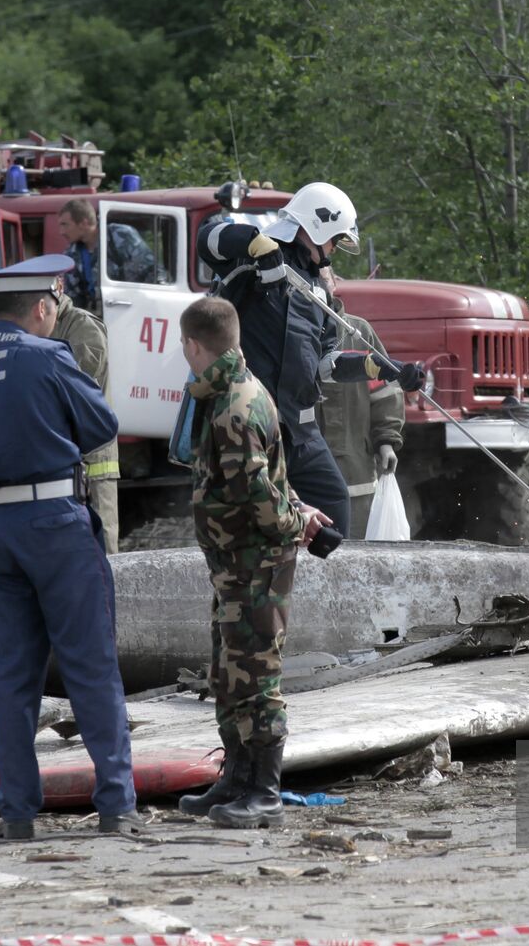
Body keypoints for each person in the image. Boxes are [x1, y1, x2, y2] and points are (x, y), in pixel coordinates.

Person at [0, 254, 140, 841]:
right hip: (54, 521)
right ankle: (116, 805)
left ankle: (18, 815)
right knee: (91, 667)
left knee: (12, 678)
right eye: (54, 309)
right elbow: (101, 423)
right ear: (40, 307)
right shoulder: (47, 355)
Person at [174, 296, 329, 829]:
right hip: (233, 564)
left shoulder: (234, 406)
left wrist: (296, 524)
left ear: (194, 345)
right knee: (228, 672)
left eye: (183, 346)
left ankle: (263, 789)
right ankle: (236, 778)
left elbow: (258, 496)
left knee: (256, 675)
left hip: (254, 565)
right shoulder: (227, 393)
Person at [196, 181, 424, 536]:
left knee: (333, 504)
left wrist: (382, 367)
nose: (333, 250)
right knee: (260, 519)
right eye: (334, 239)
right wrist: (256, 245)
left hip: (300, 429)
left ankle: (318, 583)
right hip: (251, 420)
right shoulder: (246, 261)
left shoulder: (317, 291)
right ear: (317, 227)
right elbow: (208, 237)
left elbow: (326, 363)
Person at [316, 305, 405, 539]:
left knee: (357, 552)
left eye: (326, 277)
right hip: (302, 479)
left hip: (356, 478)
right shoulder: (290, 329)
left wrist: (386, 441)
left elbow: (384, 392)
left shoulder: (357, 332)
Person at [49, 279, 121, 553]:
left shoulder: (82, 325)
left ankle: (113, 595)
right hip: (64, 453)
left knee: (102, 542)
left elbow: (77, 385)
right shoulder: (42, 326)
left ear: (60, 287)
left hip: (94, 456)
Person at [56, 198, 158, 314]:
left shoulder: (120, 236)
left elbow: (152, 273)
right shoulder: (72, 254)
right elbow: (72, 298)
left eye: (65, 225)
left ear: (83, 223)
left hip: (134, 312)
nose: (61, 232)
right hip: (98, 318)